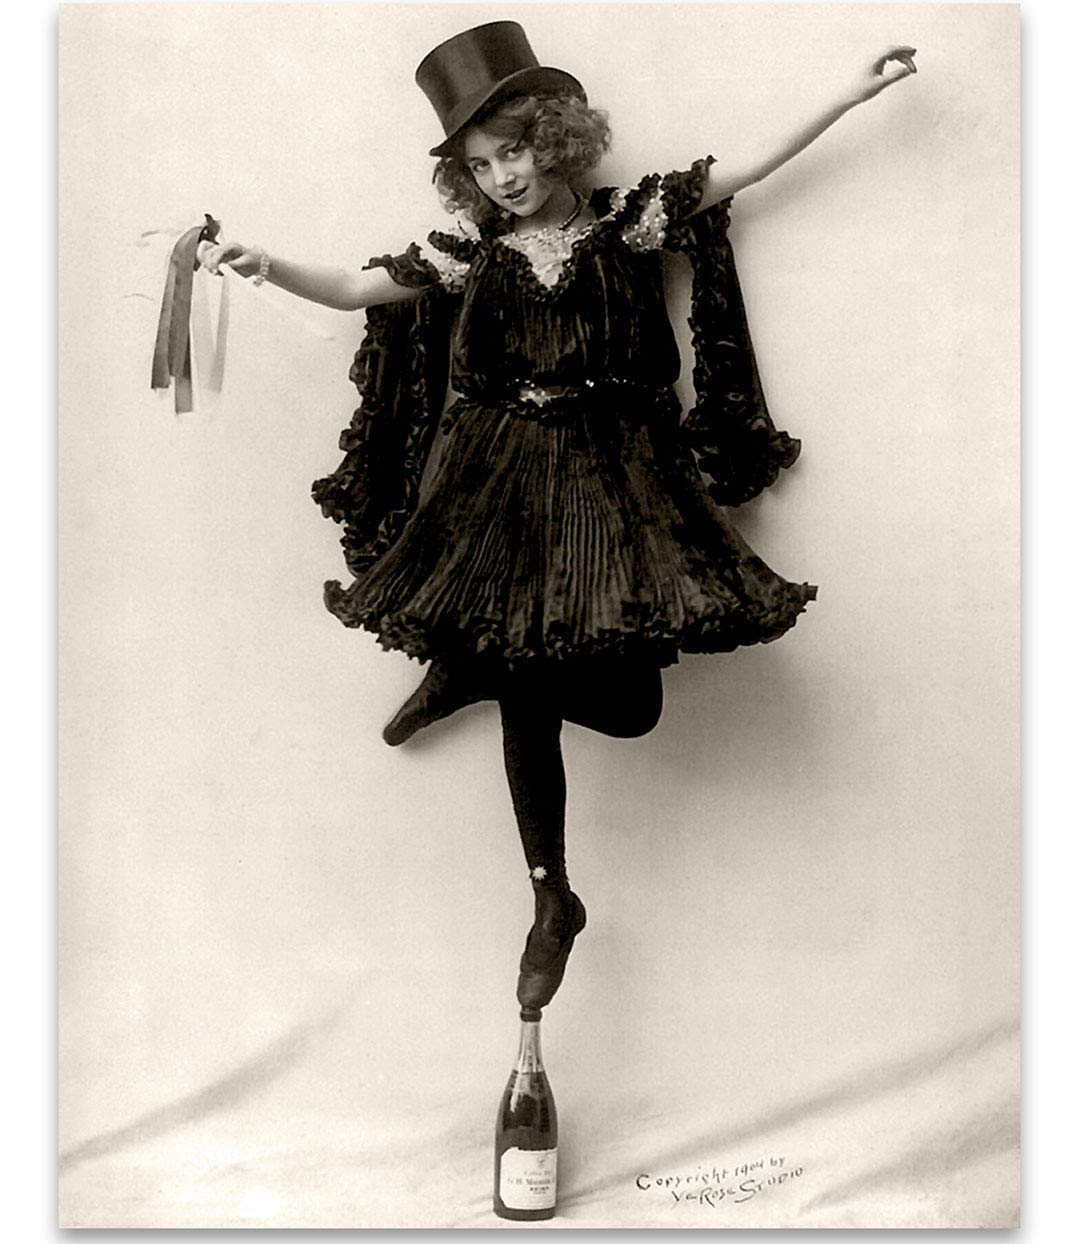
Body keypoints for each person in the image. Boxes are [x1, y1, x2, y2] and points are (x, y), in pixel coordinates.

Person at [200, 21, 917, 1020]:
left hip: (612, 485)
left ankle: (469, 671)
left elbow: (745, 168)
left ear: (555, 140)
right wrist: (262, 262)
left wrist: (848, 93)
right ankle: (552, 897)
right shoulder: (468, 255)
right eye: (480, 165)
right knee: (531, 682)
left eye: (515, 152)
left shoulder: (630, 220)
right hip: (495, 487)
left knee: (634, 706)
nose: (502, 178)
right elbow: (358, 288)